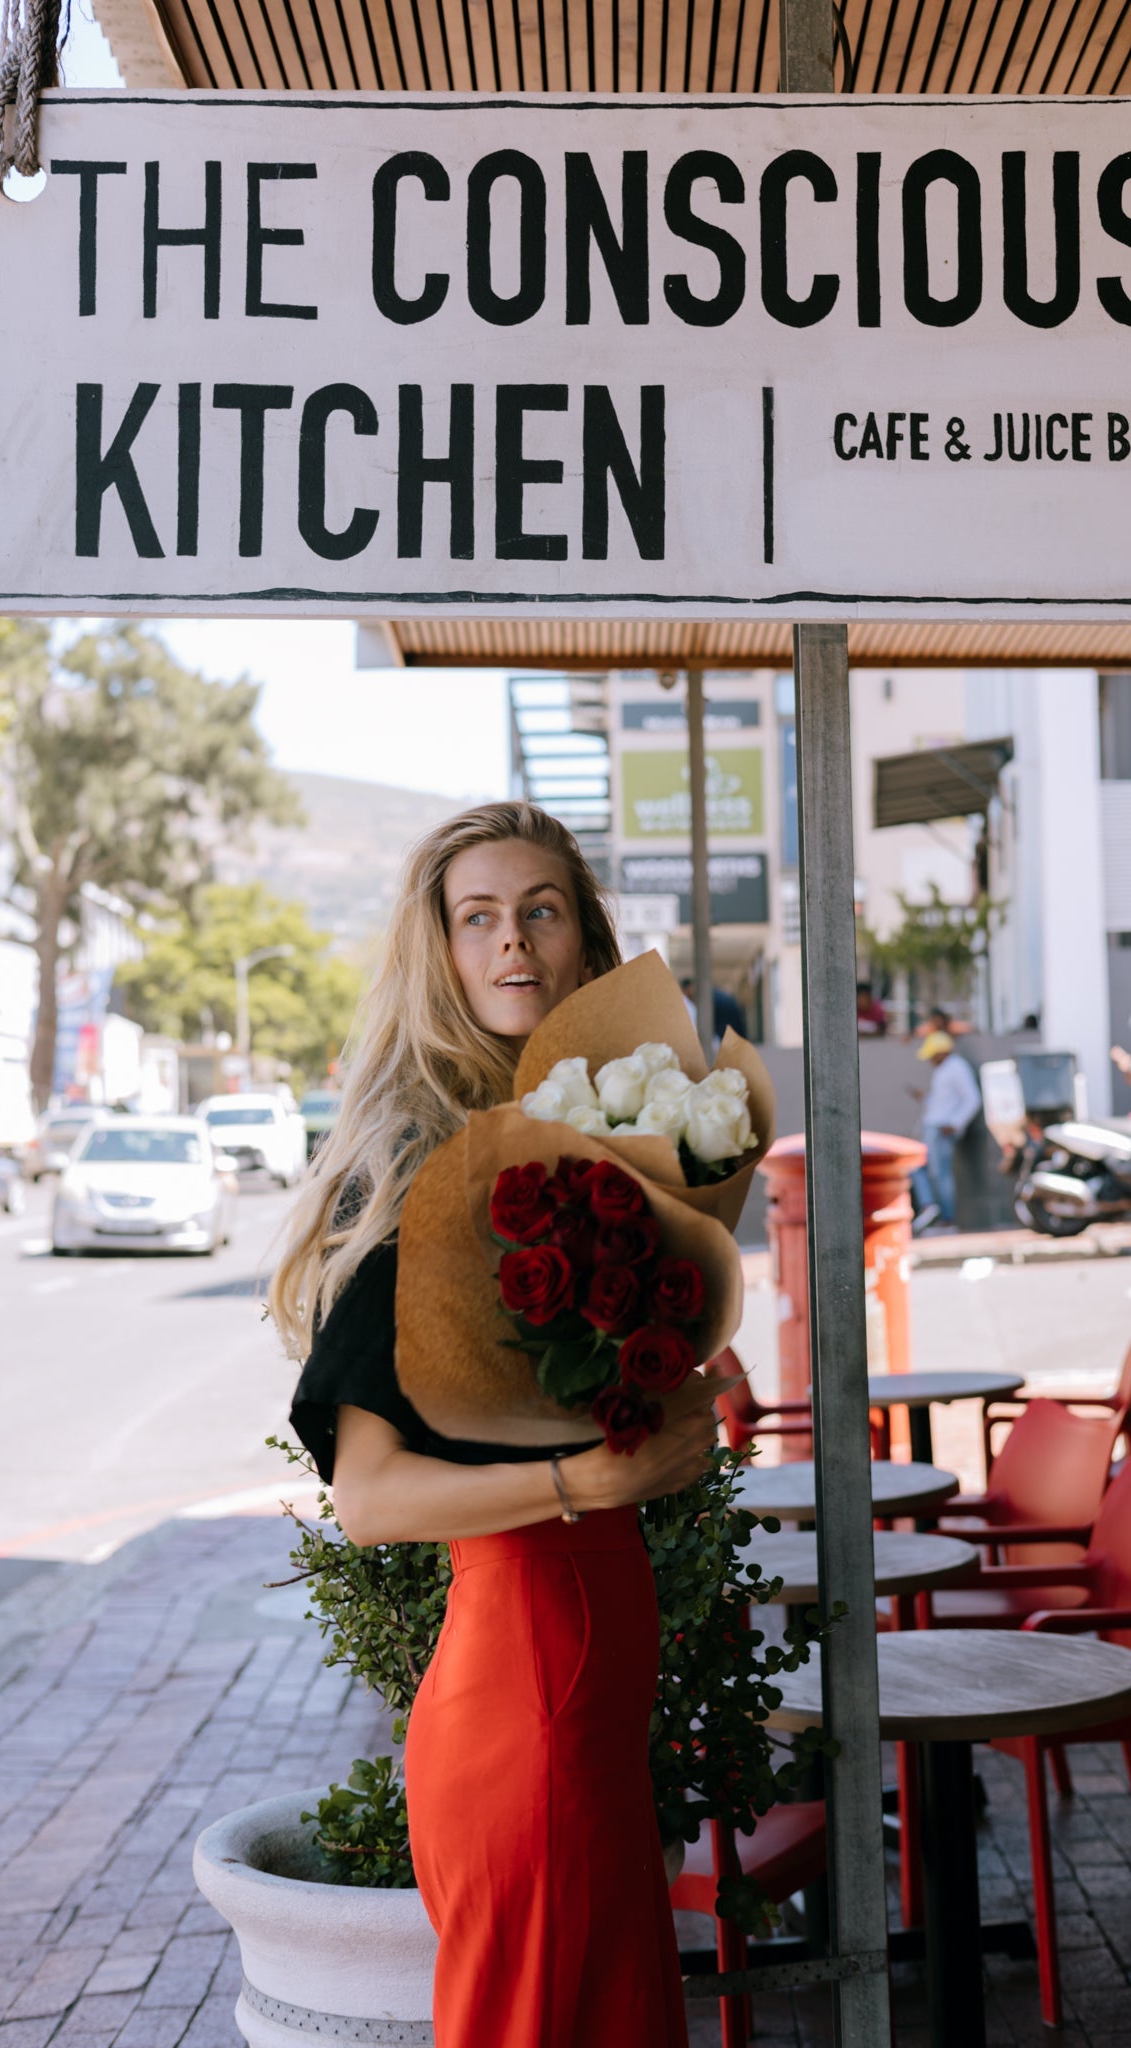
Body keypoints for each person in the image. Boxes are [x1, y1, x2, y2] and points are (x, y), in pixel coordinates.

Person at [272, 802, 716, 2048]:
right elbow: (371, 1497)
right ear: (444, 952)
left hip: (593, 1680)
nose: (513, 941)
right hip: (524, 1686)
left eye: (541, 909)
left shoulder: (584, 1139)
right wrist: (590, 1474)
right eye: (480, 917)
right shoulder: (421, 1166)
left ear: (582, 940)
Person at [910, 1030, 982, 1233]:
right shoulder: (944, 1069)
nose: (930, 1060)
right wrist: (925, 1098)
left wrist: (956, 1123)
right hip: (935, 1127)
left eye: (932, 1055)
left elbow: (972, 1099)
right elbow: (942, 1103)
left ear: (941, 1052)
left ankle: (945, 1220)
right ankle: (931, 1209)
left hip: (942, 1129)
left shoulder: (956, 1068)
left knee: (939, 1174)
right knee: (922, 1169)